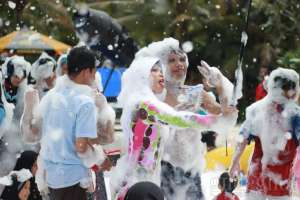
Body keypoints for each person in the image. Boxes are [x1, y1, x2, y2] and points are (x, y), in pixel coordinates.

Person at [112, 54, 228, 200]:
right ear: (141, 76)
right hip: (136, 185)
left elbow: (173, 120)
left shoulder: (146, 101)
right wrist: (219, 121)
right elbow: (177, 120)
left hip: (146, 180)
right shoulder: (143, 104)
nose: (160, 73)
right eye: (153, 70)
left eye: (160, 69)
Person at [135, 37, 237, 200]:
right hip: (162, 168)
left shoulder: (195, 93)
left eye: (182, 59)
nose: (179, 64)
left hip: (191, 169)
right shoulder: (154, 96)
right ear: (161, 65)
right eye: (172, 61)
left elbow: (227, 117)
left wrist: (220, 85)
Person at [20, 46, 108, 200]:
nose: (94, 77)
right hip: (73, 180)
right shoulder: (83, 102)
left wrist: (29, 108)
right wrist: (101, 159)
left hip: (53, 178)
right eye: (93, 72)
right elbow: (81, 147)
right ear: (86, 72)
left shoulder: (52, 96)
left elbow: (31, 135)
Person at [229, 68, 300, 200]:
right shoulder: (294, 114)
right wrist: (234, 162)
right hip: (279, 177)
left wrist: (235, 162)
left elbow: (242, 137)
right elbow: (242, 138)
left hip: (260, 172)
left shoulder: (257, 109)